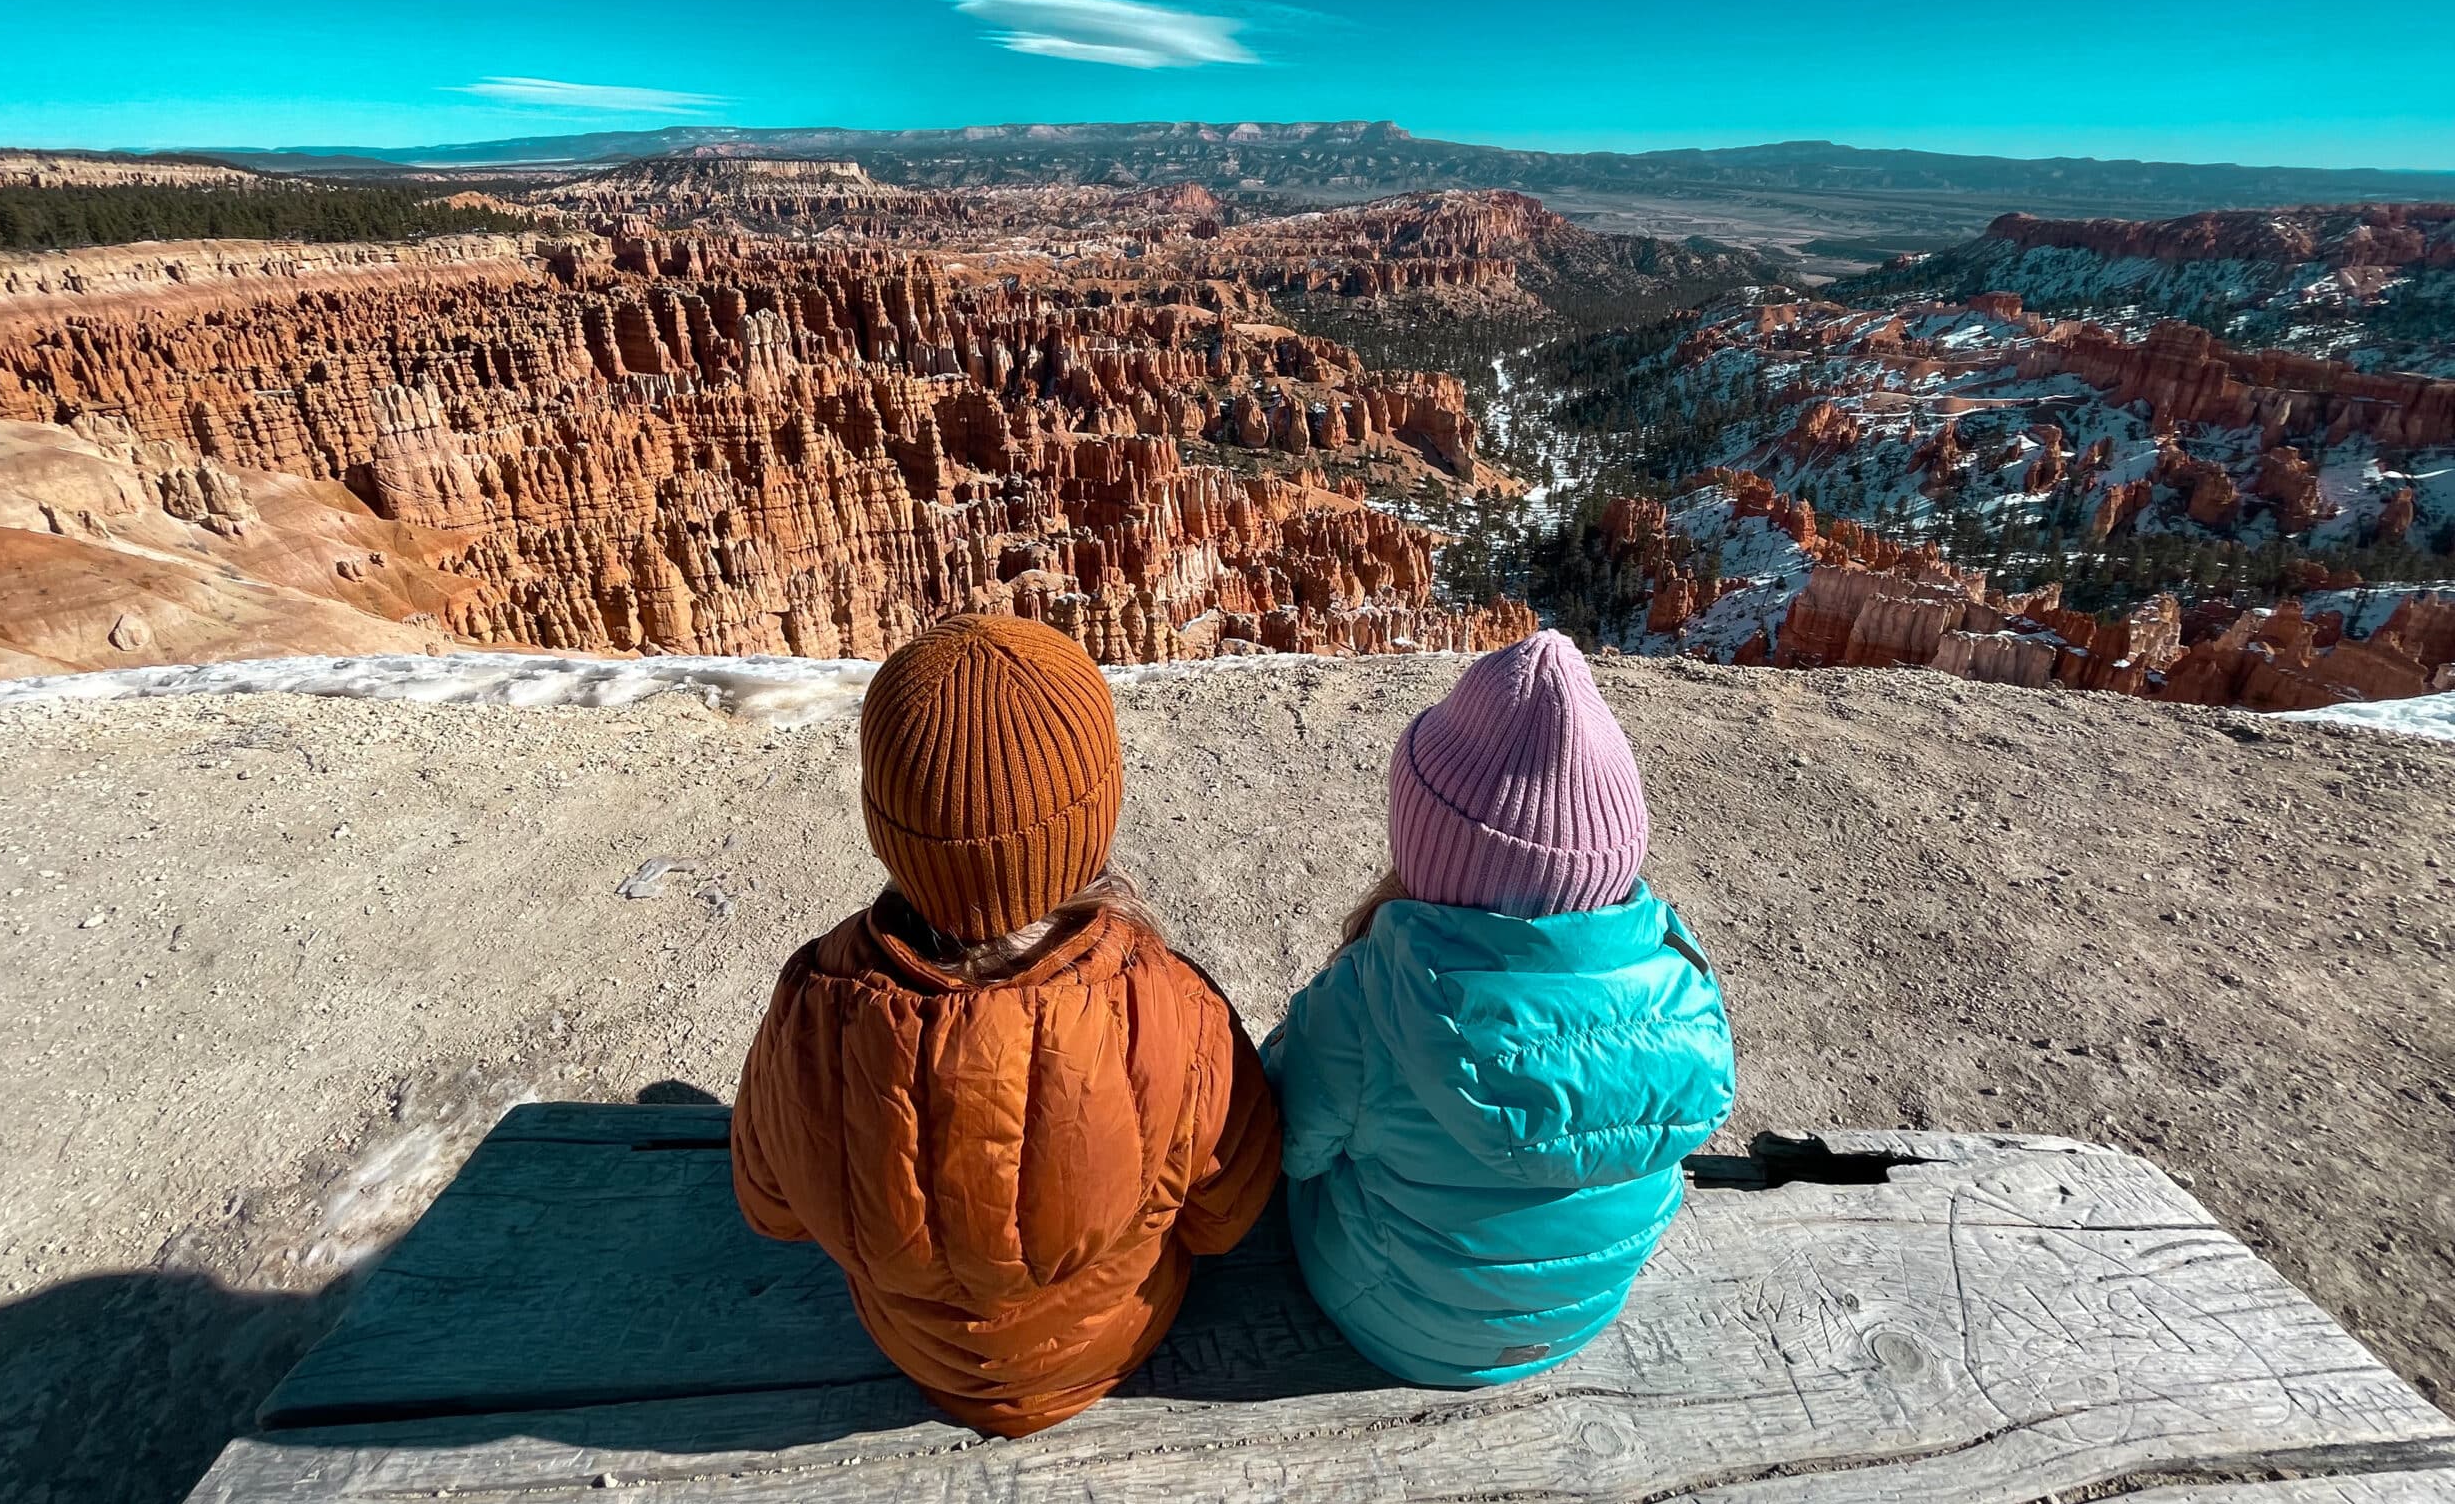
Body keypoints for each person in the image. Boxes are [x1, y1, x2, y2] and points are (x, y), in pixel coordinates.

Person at [730, 613, 1280, 1436]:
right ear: (1096, 813)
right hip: (1114, 1343)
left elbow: (767, 1209)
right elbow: (1226, 1218)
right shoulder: (1172, 1009)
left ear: (886, 826)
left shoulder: (812, 1006)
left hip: (915, 1351)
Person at [1263, 627, 1735, 1387]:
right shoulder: (1682, 991)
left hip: (1397, 1320)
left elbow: (1289, 1147)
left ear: (1423, 848)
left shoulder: (1367, 1002)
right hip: (1579, 1316)